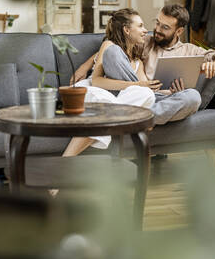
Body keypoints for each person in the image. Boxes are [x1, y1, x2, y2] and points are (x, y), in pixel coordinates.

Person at [61, 8, 202, 158]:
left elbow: (148, 92)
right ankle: (135, 118)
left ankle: (141, 119)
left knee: (193, 96)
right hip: (106, 92)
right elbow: (96, 81)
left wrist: (173, 92)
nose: (146, 30)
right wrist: (137, 85)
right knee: (116, 57)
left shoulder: (137, 62)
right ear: (127, 30)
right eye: (140, 26)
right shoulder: (110, 47)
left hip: (134, 100)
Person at [72, 3, 215, 86]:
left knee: (191, 97)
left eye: (165, 27)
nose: (157, 30)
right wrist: (85, 66)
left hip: (166, 95)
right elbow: (114, 48)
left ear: (179, 31)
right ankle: (145, 113)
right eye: (158, 23)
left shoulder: (189, 50)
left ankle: (147, 114)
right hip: (140, 91)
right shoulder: (145, 41)